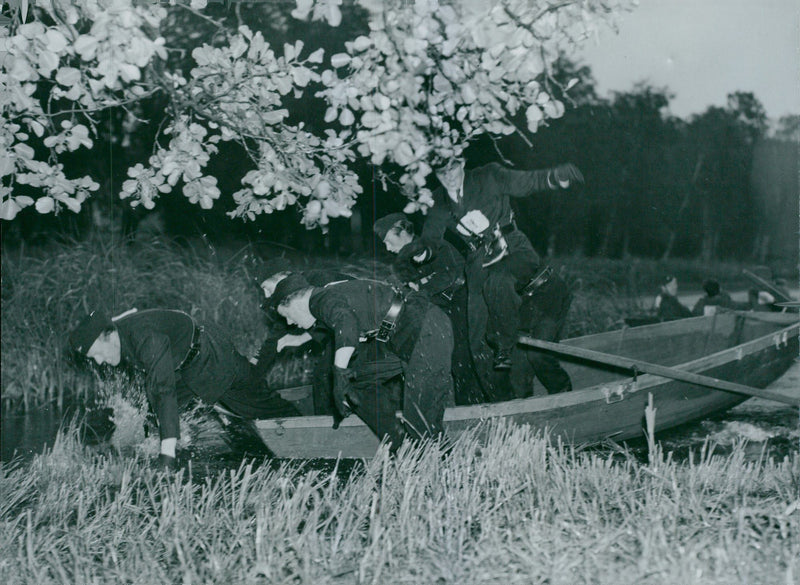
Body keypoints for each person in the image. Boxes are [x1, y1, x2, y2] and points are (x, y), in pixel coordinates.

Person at [68, 308, 299, 469]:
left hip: (211, 357)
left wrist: (166, 458)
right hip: (184, 363)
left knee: (257, 402)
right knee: (153, 413)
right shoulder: (116, 331)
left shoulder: (145, 337)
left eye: (96, 353)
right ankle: (171, 444)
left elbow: (164, 389)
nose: (99, 361)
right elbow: (123, 316)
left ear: (108, 337)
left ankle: (303, 427)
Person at [271, 274, 454, 448]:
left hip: (424, 329)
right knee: (356, 384)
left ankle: (442, 462)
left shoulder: (319, 301)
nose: (288, 322)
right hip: (402, 332)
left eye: (287, 315)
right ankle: (397, 440)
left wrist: (340, 371)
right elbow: (372, 318)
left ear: (295, 301)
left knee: (420, 419)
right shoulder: (326, 296)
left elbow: (345, 322)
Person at [374, 212, 486, 404]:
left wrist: (421, 288)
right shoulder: (400, 264)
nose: (387, 248)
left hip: (459, 304)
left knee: (462, 359)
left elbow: (450, 275)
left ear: (402, 232)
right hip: (433, 312)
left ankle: (472, 407)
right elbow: (402, 294)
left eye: (388, 241)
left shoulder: (435, 246)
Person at [252, 259, 354, 414]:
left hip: (366, 326)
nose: (266, 296)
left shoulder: (319, 282)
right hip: (345, 331)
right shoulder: (287, 297)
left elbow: (344, 317)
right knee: (324, 376)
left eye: (266, 288)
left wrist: (301, 338)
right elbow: (276, 338)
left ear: (281, 277)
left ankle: (329, 426)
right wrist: (253, 369)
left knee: (326, 376)